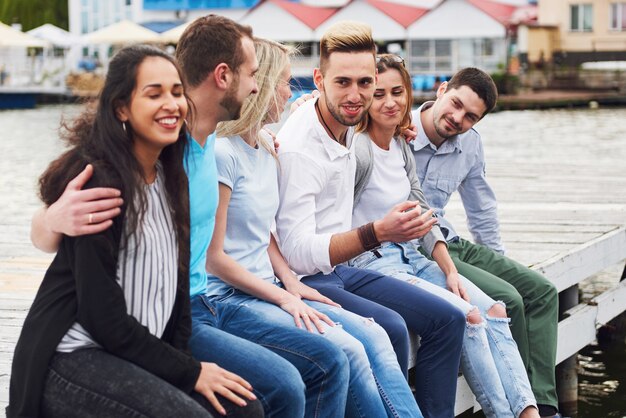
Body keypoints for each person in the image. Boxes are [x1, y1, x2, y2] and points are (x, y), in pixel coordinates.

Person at [28, 15, 346, 418]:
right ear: (222, 76)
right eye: (253, 75)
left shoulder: (202, 143)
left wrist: (305, 113)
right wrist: (53, 219)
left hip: (179, 312)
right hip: (125, 329)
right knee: (280, 385)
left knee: (286, 382)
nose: (258, 85)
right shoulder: (136, 160)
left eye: (176, 92)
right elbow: (57, 239)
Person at [7, 44, 263, 418]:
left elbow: (177, 296)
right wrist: (189, 372)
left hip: (133, 349)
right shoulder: (101, 182)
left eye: (177, 92)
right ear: (121, 108)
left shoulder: (170, 176)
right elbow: (102, 318)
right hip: (73, 356)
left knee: (243, 409)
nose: (171, 104)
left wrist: (183, 365)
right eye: (154, 93)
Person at [210, 37, 420, 417]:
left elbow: (264, 232)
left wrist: (289, 281)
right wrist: (284, 296)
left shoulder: (264, 145)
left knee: (374, 334)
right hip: (227, 297)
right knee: (347, 352)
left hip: (273, 284)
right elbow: (215, 258)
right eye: (286, 82)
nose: (294, 93)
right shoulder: (224, 153)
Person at [275, 21, 465, 418]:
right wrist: (376, 232)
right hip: (309, 277)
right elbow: (295, 253)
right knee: (389, 328)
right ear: (318, 79)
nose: (355, 94)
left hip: (344, 268)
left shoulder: (346, 124)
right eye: (342, 82)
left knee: (448, 318)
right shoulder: (299, 148)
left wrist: (403, 129)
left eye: (365, 83)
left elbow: (386, 128)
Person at [349, 54, 539, 418]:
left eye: (398, 93)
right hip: (373, 262)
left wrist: (450, 270)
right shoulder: (354, 148)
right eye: (379, 93)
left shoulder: (401, 147)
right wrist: (306, 102)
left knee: (495, 310)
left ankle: (528, 412)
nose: (390, 102)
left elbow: (424, 211)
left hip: (413, 255)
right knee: (468, 315)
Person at [409, 67, 561, 418]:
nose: (458, 118)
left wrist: (497, 263)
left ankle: (545, 406)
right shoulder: (398, 127)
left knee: (541, 292)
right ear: (443, 89)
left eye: (470, 116)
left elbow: (481, 208)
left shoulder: (470, 143)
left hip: (451, 238)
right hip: (419, 247)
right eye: (456, 104)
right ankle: (518, 407)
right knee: (508, 299)